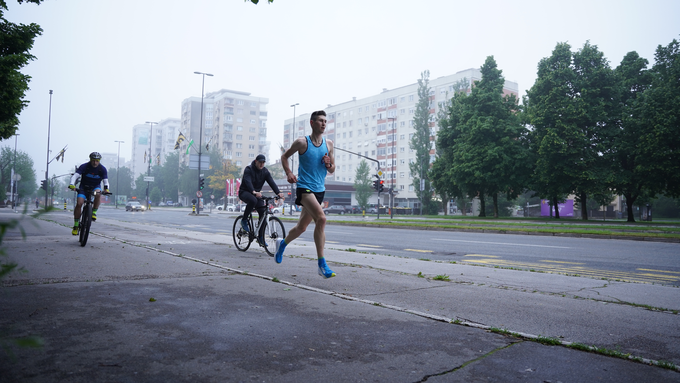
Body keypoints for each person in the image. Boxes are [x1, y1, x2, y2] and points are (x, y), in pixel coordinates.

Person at [276, 110, 336, 278]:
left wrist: (328, 163)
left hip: (319, 190)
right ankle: (321, 264)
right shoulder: (302, 143)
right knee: (322, 219)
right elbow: (284, 157)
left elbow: (332, 169)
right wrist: (288, 173)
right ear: (312, 123)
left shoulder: (329, 144)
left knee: (301, 227)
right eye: (320, 121)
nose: (323, 123)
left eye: (325, 121)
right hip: (304, 188)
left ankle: (282, 244)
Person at [238, 154, 284, 245]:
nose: (261, 164)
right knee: (253, 200)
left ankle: (260, 237)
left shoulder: (265, 171)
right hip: (245, 192)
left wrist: (278, 192)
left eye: (263, 163)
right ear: (256, 161)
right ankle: (244, 220)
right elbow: (248, 182)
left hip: (257, 194)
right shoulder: (248, 169)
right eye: (260, 162)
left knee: (263, 213)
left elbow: (271, 182)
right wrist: (253, 191)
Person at [68, 152, 110, 235]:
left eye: (97, 161)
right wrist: (72, 184)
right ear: (90, 160)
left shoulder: (102, 169)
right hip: (83, 187)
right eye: (93, 160)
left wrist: (106, 189)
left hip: (95, 187)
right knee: (79, 203)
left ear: (99, 161)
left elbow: (105, 181)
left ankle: (93, 212)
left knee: (98, 194)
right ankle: (76, 226)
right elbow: (75, 176)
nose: (95, 163)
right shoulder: (84, 166)